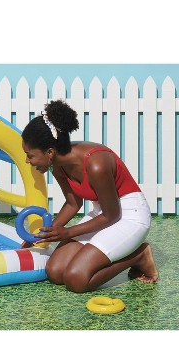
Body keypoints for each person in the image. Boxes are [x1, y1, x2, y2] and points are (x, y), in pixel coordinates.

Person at [21, 99, 158, 293]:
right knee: (55, 271)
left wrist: (68, 232)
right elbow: (73, 203)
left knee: (76, 280)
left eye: (30, 155)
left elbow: (112, 215)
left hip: (129, 216)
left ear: (50, 152)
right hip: (103, 214)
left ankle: (139, 256)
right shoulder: (58, 166)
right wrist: (43, 234)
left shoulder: (96, 164)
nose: (27, 160)